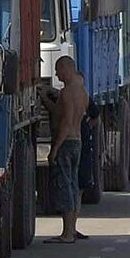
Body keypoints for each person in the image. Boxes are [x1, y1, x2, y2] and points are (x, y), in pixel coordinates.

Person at [39, 56, 89, 244]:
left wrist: (55, 149)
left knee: (64, 187)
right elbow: (63, 113)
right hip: (77, 142)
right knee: (73, 185)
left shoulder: (68, 93)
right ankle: (72, 230)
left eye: (59, 70)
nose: (57, 75)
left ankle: (67, 233)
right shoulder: (82, 92)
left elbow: (66, 122)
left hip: (66, 143)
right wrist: (45, 97)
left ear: (67, 69)